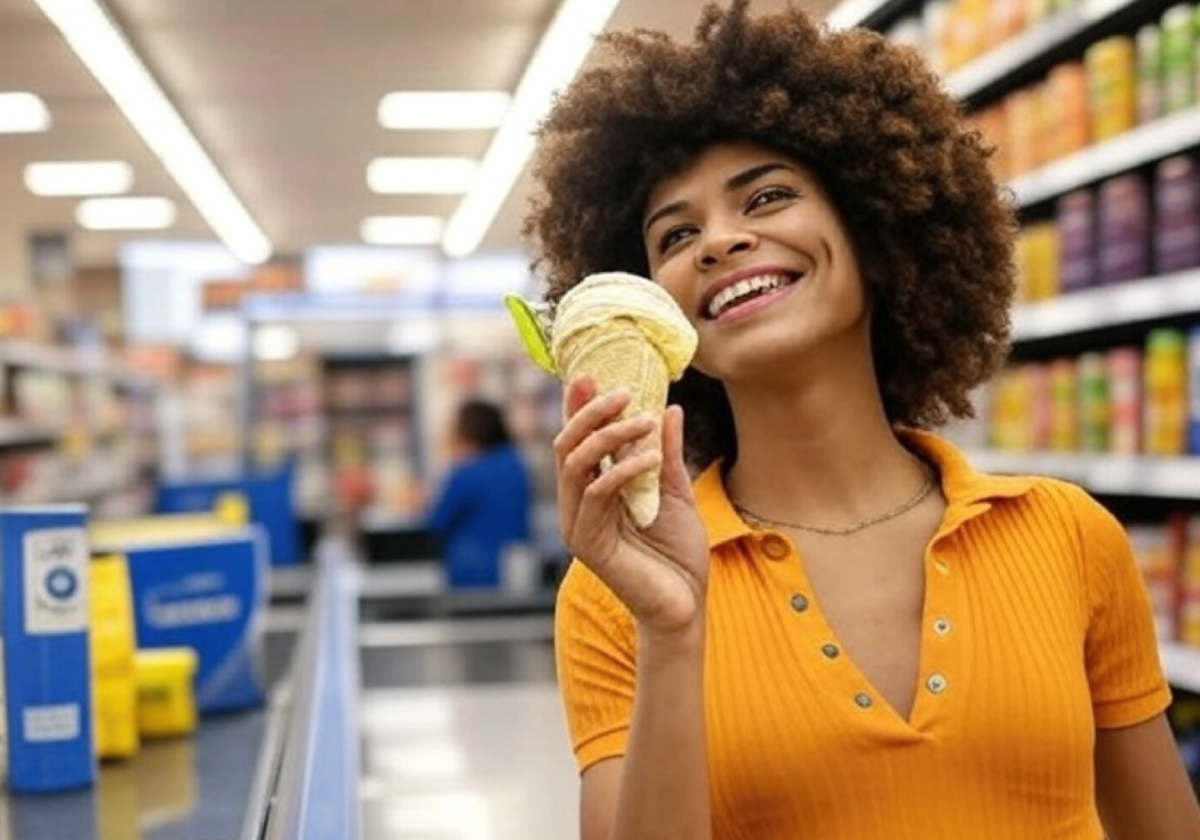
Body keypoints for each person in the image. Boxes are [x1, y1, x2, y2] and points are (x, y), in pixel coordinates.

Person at [520, 2, 1200, 838]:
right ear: (658, 318)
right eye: (676, 234)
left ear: (877, 229)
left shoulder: (1067, 537)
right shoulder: (616, 593)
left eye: (767, 197)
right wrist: (671, 631)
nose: (720, 241)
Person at [425, 398, 534, 589]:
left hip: (471, 574)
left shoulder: (466, 472)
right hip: (516, 569)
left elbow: (437, 522)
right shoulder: (516, 466)